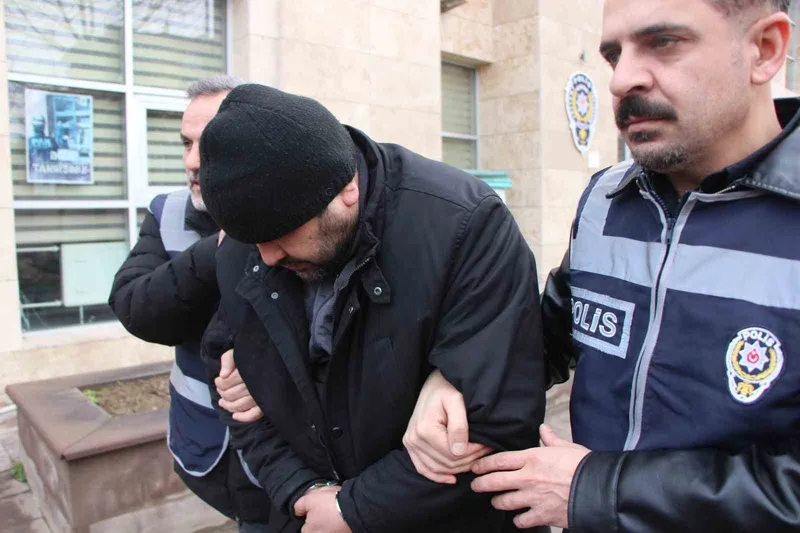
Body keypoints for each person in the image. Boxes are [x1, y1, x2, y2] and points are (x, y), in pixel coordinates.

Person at [402, 0, 800, 531]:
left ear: (765, 49)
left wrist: (599, 491)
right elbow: (542, 336)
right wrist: (453, 375)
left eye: (663, 43)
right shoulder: (605, 198)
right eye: (614, 55)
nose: (621, 80)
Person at [197, 83, 548, 533]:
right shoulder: (247, 242)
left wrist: (353, 510)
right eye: (252, 241)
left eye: (281, 233)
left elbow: (494, 421)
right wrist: (302, 491)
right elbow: (233, 387)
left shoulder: (464, 224)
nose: (266, 258)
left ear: (347, 190)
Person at [109, 75, 280, 532]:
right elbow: (135, 308)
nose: (192, 162)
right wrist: (213, 252)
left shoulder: (296, 213)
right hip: (205, 446)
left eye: (210, 143)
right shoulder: (165, 212)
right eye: (186, 143)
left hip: (288, 457)